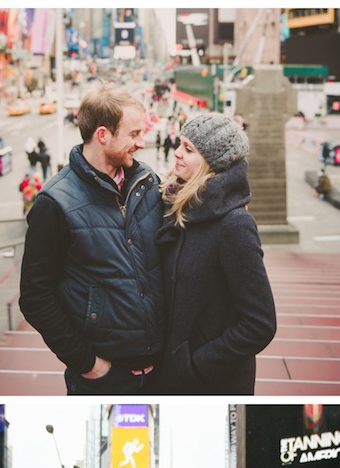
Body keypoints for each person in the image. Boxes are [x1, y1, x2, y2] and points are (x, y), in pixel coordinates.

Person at [19, 82, 163, 395]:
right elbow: (35, 297)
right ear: (103, 135)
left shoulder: (148, 183)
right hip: (104, 380)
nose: (141, 143)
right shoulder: (54, 203)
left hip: (163, 371)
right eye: (134, 134)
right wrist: (88, 364)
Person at [156, 113, 277, 394]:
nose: (177, 153)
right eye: (180, 144)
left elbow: (260, 323)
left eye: (189, 149)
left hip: (210, 385)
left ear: (212, 163)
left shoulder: (235, 225)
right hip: (169, 375)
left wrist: (198, 366)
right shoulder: (177, 203)